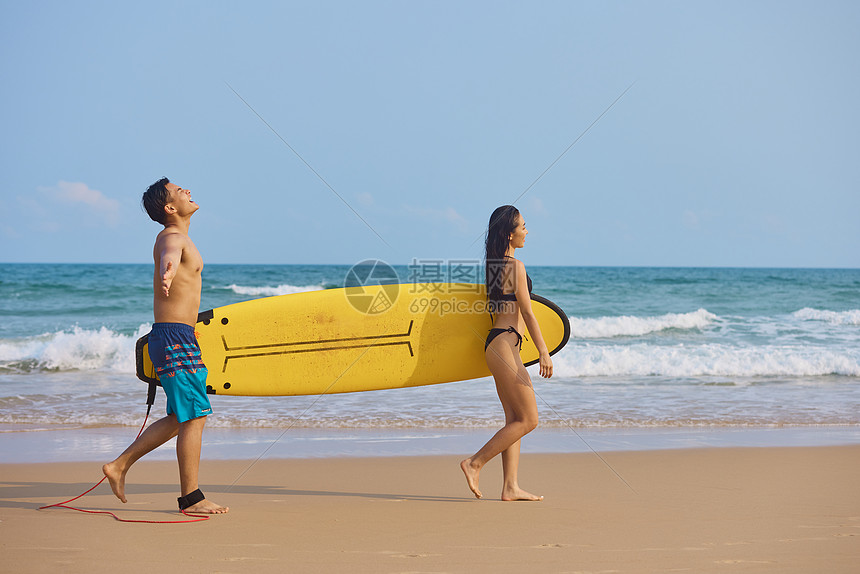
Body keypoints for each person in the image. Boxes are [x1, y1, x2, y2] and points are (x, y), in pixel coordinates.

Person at [102, 177, 228, 514]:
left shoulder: (180, 236)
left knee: (181, 415)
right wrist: (167, 270)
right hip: (173, 338)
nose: (187, 189)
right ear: (170, 207)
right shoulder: (172, 237)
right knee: (195, 415)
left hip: (179, 336)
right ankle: (191, 499)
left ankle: (119, 466)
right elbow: (169, 256)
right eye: (177, 190)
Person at [460, 205, 553, 501]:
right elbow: (527, 311)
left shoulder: (494, 268)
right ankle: (474, 462)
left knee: (514, 418)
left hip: (496, 344)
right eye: (523, 226)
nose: (527, 231)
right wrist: (543, 352)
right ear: (509, 233)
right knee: (529, 420)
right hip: (506, 345)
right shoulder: (516, 267)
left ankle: (510, 487)